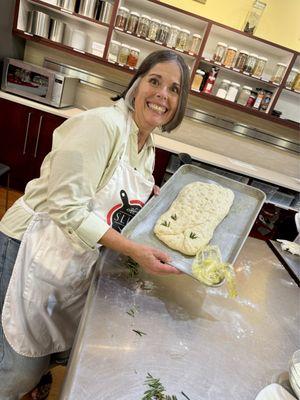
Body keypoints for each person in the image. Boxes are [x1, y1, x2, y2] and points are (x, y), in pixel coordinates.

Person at [0, 50, 190, 400]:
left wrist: (151, 201)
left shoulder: (147, 146)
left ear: (180, 103)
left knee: (49, 348)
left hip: (67, 256)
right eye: (155, 81)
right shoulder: (103, 124)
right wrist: (133, 249)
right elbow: (65, 205)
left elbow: (112, 197)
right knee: (15, 369)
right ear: (136, 83)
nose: (163, 94)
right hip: (30, 243)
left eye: (175, 89)